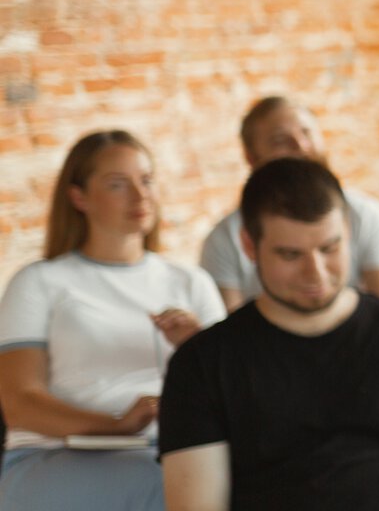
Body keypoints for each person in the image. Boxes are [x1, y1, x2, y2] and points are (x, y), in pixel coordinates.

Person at [159, 158, 379, 511]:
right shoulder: (201, 364)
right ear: (250, 246)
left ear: (347, 231)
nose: (315, 272)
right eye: (291, 254)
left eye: (329, 248)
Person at [0, 130, 225, 510]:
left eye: (147, 180)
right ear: (79, 197)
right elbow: (20, 403)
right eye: (118, 184)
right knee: (167, 486)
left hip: (175, 450)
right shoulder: (39, 282)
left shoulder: (191, 283)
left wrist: (197, 348)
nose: (140, 196)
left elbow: (236, 394)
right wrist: (118, 423)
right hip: (58, 455)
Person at [199, 96, 379, 309]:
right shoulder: (223, 240)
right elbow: (230, 328)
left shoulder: (369, 215)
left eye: (307, 133)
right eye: (280, 140)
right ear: (251, 157)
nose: (301, 146)